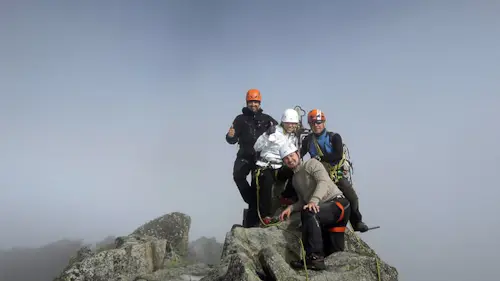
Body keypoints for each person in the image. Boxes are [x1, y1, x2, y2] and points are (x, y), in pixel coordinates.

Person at [279, 143, 351, 271]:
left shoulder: (311, 164)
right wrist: (291, 208)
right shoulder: (295, 179)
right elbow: (303, 201)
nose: (290, 159)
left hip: (338, 204)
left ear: (298, 154)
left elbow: (323, 181)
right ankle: (323, 261)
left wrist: (314, 201)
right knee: (334, 256)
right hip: (326, 213)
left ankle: (314, 258)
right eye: (286, 158)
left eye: (291, 155)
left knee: (309, 212)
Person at [299, 109, 369, 233]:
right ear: (310, 124)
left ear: (324, 123)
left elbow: (337, 154)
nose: (317, 125)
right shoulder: (308, 140)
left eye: (319, 122)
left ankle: (357, 222)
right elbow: (299, 155)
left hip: (335, 173)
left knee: (351, 196)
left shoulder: (334, 137)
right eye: (314, 123)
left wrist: (320, 158)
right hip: (319, 175)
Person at [225, 89, 277, 227]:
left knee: (259, 184)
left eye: (256, 102)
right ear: (247, 102)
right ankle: (252, 202)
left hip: (260, 158)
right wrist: (230, 136)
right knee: (238, 175)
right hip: (244, 155)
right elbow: (232, 139)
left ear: (259, 102)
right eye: (251, 102)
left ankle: (259, 212)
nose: (253, 104)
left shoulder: (267, 119)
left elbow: (280, 132)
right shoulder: (240, 119)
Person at [251, 108, 300, 226]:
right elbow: (256, 147)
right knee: (266, 184)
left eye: (293, 123)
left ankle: (287, 197)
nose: (291, 126)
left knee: (297, 172)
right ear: (283, 122)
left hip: (281, 166)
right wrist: (266, 136)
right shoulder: (273, 132)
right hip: (266, 165)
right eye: (289, 123)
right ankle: (265, 216)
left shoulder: (293, 137)